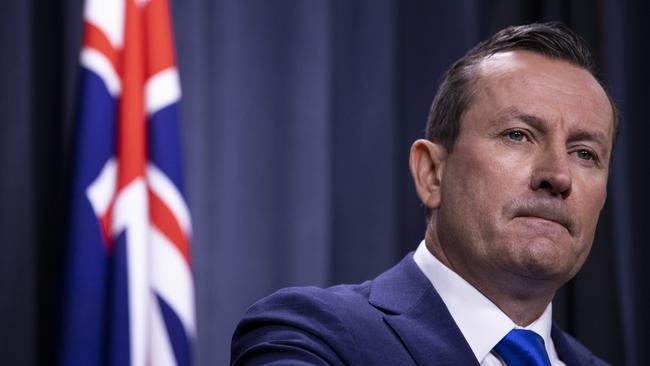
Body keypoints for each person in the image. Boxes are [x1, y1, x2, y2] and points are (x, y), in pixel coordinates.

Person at [231, 22, 616, 366]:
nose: (558, 176)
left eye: (584, 153)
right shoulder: (311, 336)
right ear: (431, 173)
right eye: (517, 135)